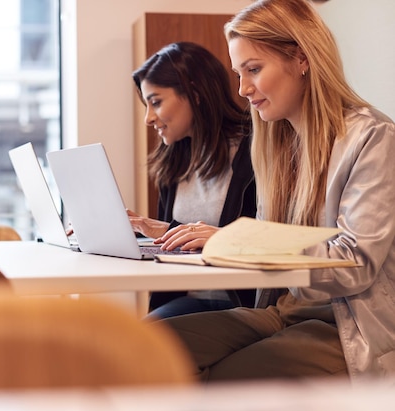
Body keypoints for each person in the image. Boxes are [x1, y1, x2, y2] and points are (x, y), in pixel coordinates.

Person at [159, 0, 395, 382]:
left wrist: (239, 243)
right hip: (285, 310)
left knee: (220, 382)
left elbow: (355, 265)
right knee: (148, 345)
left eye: (253, 69)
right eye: (239, 73)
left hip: (346, 323)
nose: (242, 89)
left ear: (301, 58)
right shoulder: (277, 143)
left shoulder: (373, 138)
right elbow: (275, 248)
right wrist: (214, 244)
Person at [130, 41, 257, 319]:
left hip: (239, 302)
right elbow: (179, 243)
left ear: (195, 93)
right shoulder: (173, 161)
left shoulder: (255, 152)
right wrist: (134, 233)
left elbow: (264, 240)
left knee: (139, 344)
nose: (148, 118)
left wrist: (167, 230)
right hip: (185, 299)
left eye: (156, 102)